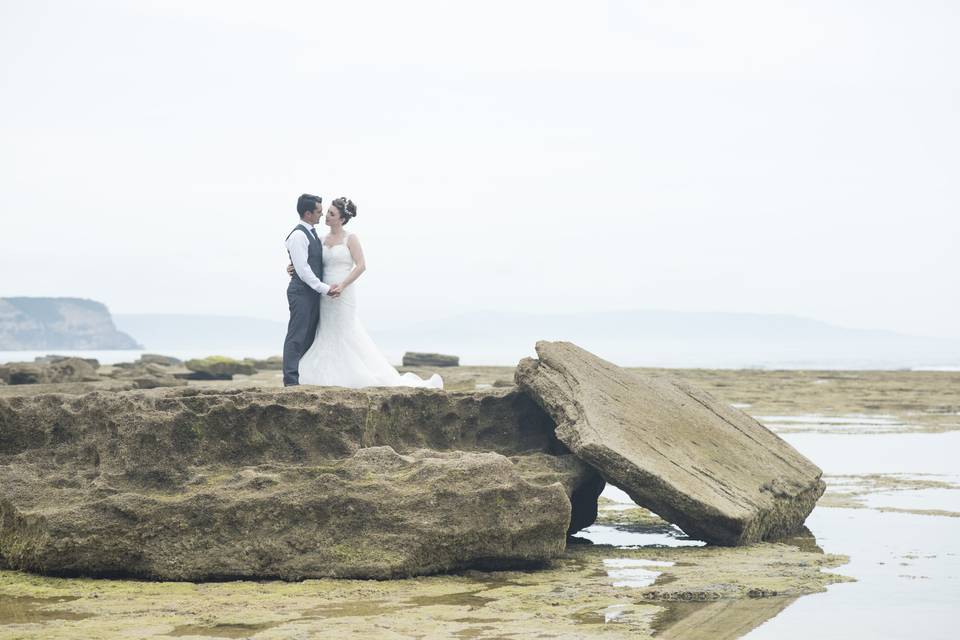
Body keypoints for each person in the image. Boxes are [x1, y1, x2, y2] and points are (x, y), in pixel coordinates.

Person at [291, 197, 442, 389]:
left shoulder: (350, 238)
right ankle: (327, 373)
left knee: (345, 330)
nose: (326, 216)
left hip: (344, 292)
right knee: (327, 330)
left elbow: (361, 265)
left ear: (342, 219)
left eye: (331, 214)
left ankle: (354, 373)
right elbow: (307, 261)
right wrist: (292, 266)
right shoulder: (320, 240)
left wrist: (343, 285)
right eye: (326, 212)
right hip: (325, 293)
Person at [281, 194, 339, 386]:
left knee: (309, 336)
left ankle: (302, 376)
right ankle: (290, 381)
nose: (321, 215)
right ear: (307, 213)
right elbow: (304, 270)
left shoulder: (313, 233)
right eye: (318, 212)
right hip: (301, 292)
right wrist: (325, 288)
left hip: (312, 293)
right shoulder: (298, 235)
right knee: (297, 336)